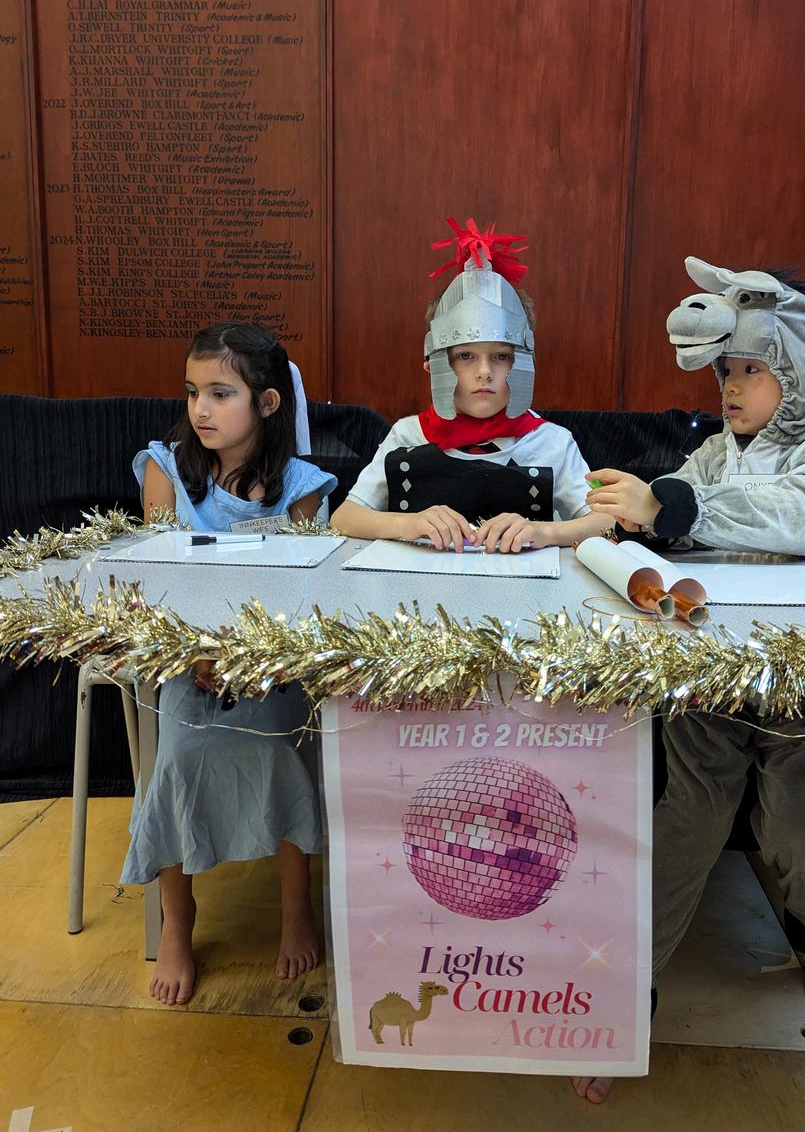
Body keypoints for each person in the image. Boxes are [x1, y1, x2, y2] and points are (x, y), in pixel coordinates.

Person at [573, 257, 805, 1104]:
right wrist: (633, 516)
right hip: (709, 675)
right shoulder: (709, 454)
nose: (731, 388)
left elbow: (802, 518)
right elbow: (670, 510)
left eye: (752, 371)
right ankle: (632, 991)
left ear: (800, 377)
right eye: (726, 372)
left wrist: (678, 508)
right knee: (685, 820)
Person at [122, 321, 337, 1006]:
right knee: (179, 761)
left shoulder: (301, 485)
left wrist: (250, 656)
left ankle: (297, 904)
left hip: (271, 664)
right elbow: (157, 582)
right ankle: (178, 919)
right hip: (184, 659)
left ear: (266, 403)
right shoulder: (165, 470)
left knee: (282, 750)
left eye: (220, 393)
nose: (201, 409)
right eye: (192, 392)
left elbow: (304, 592)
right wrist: (197, 652)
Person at [331, 217, 612, 551]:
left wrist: (545, 531)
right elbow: (344, 517)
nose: (484, 372)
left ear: (523, 363)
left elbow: (607, 521)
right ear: (436, 365)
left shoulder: (553, 442)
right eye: (465, 356)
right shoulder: (408, 435)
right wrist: (409, 523)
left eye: (501, 356)